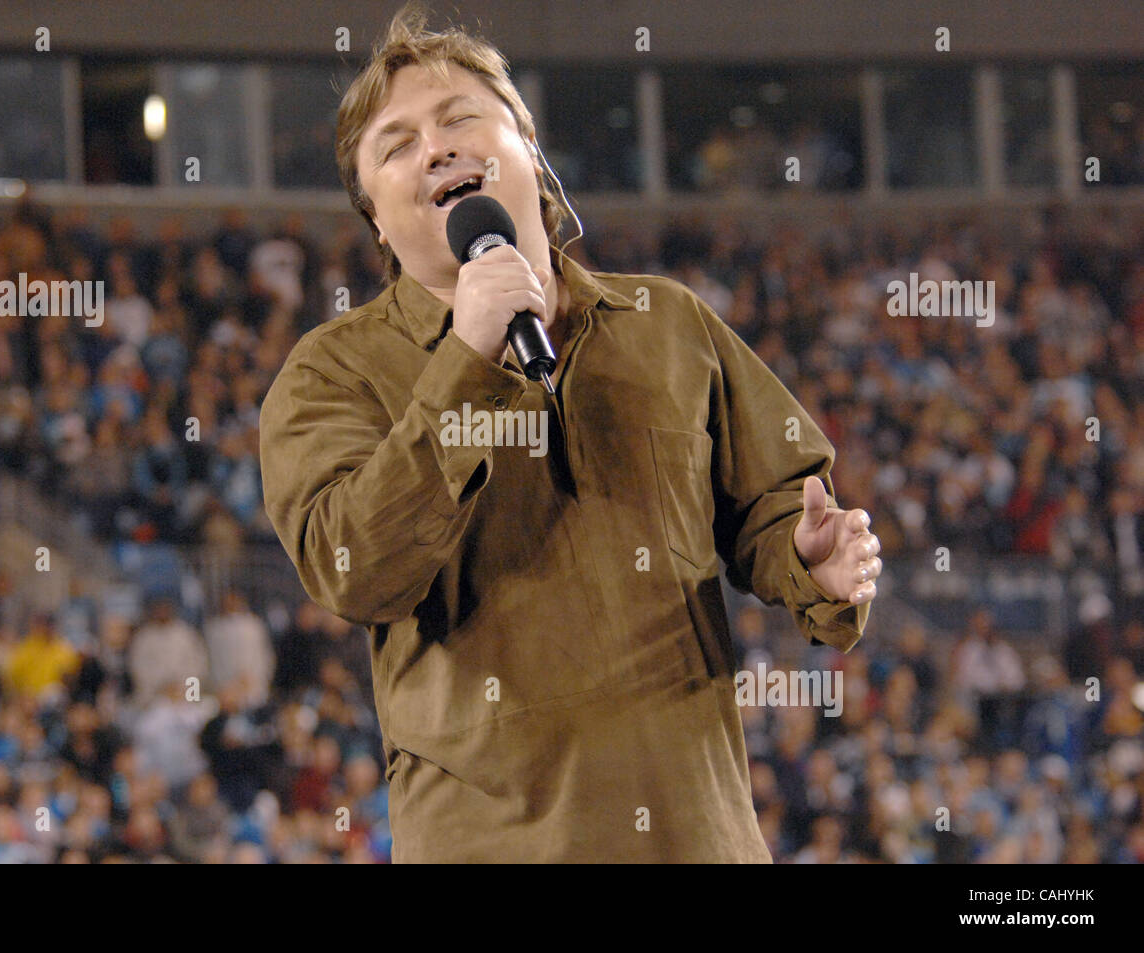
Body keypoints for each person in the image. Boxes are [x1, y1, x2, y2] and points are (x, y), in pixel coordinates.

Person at [259, 4, 882, 862]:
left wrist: (808, 560)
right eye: (396, 144)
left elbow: (773, 506)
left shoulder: (668, 321)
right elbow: (350, 566)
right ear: (376, 219)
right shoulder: (330, 373)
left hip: (701, 839)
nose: (435, 147)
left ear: (531, 151)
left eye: (459, 118)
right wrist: (466, 361)